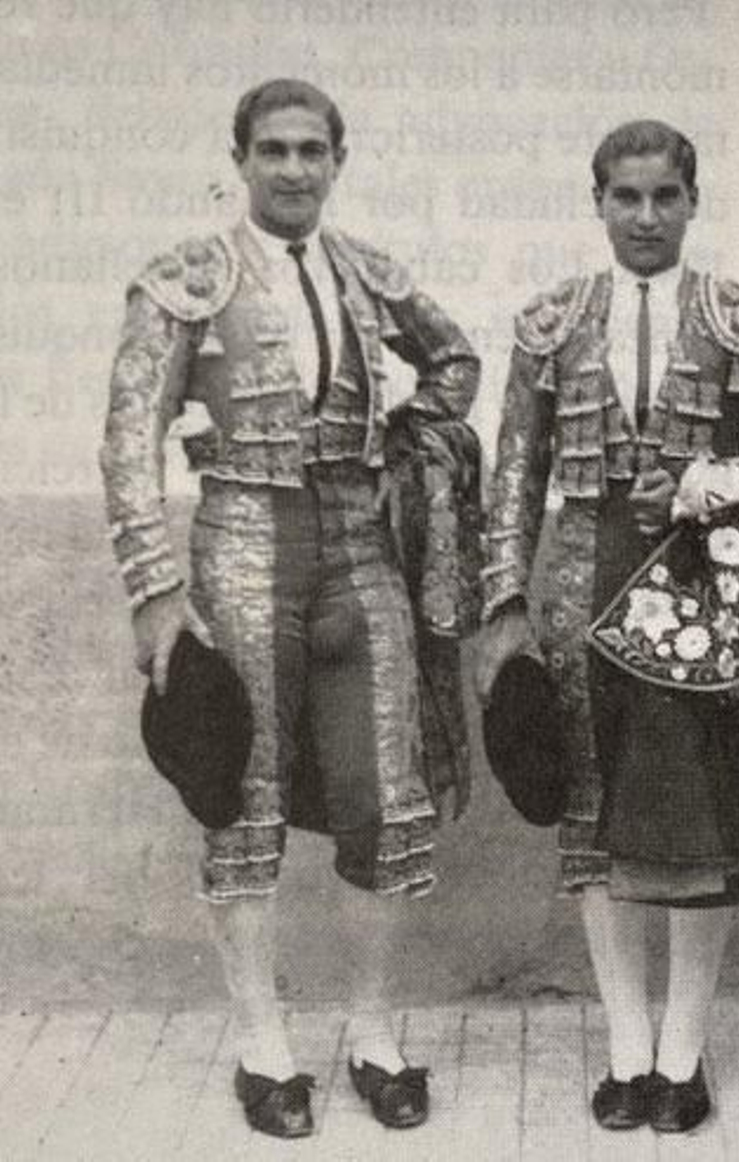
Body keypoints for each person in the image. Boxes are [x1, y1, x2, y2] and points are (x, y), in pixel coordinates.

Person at [99, 78, 480, 1138]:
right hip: (242, 546)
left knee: (385, 803)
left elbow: (454, 358)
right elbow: (129, 437)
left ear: (338, 161)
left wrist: (404, 440)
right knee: (243, 803)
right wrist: (155, 587)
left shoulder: (366, 270)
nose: (295, 169)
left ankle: (371, 1034)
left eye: (314, 150)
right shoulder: (188, 278)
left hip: (359, 548)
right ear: (241, 158)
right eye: (275, 150)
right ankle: (263, 1047)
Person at [476, 120, 739, 1135]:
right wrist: (502, 610)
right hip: (578, 582)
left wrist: (714, 479)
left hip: (702, 591)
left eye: (664, 197)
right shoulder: (548, 323)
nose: (645, 216)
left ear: (691, 201)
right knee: (592, 819)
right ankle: (625, 1047)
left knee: (698, 821)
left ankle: (681, 1054)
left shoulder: (737, 317)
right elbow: (512, 480)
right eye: (626, 197)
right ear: (596, 201)